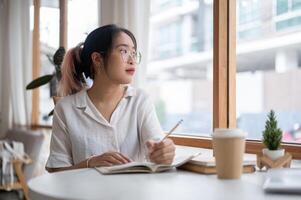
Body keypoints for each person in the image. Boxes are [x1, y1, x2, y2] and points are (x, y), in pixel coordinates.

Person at [46, 24, 175, 173]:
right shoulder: (65, 109)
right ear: (97, 59)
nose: (132, 59)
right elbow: (56, 170)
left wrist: (164, 153)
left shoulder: (140, 100)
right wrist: (91, 163)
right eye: (124, 51)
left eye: (134, 53)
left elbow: (157, 146)